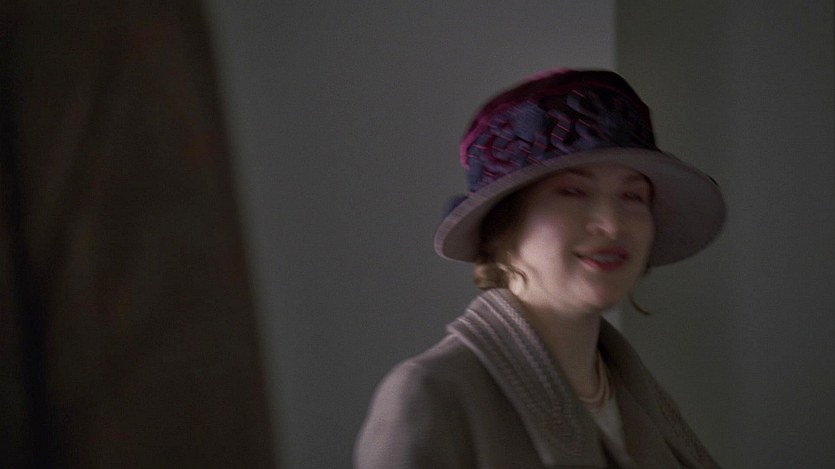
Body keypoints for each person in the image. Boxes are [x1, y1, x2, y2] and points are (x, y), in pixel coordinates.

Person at [355, 69, 725, 468]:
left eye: (632, 196)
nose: (612, 224)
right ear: (502, 226)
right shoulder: (434, 395)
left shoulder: (640, 398)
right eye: (573, 191)